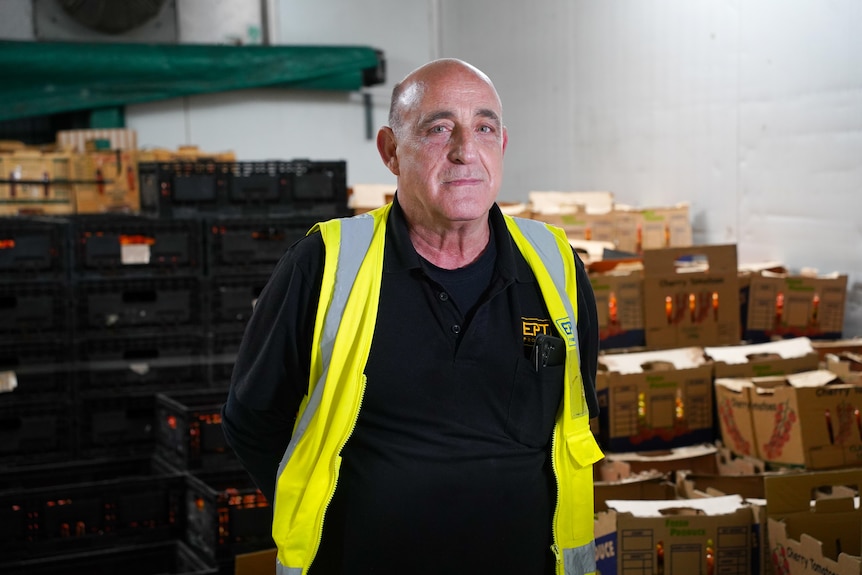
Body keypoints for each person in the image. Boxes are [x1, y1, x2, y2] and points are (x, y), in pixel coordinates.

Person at [221, 58, 603, 575]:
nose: (466, 151)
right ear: (391, 151)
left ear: (503, 145)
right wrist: (335, 516)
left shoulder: (554, 263)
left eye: (484, 128)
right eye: (438, 128)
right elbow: (252, 419)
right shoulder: (327, 263)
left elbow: (576, 412)